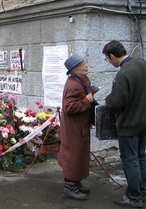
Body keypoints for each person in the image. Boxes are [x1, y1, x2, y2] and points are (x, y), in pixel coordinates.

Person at [103, 40, 146, 208]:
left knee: (130, 159)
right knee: (140, 157)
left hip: (129, 125)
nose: (109, 62)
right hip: (144, 121)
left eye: (107, 59)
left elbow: (117, 102)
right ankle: (141, 191)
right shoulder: (142, 64)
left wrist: (108, 99)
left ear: (112, 56)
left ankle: (133, 197)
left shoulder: (123, 73)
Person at [58, 54, 95, 200]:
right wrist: (86, 100)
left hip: (80, 126)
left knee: (79, 155)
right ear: (74, 69)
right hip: (74, 129)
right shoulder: (73, 84)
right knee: (73, 156)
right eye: (82, 64)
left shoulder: (81, 80)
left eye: (85, 62)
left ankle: (76, 183)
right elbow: (69, 107)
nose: (86, 65)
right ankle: (69, 187)